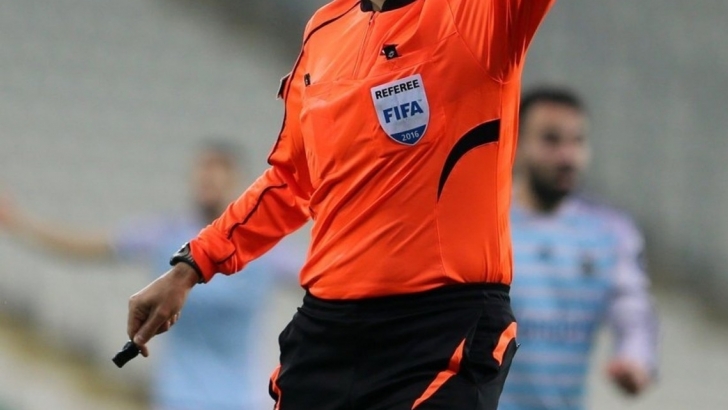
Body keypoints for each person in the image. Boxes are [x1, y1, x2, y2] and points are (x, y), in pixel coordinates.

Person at [125, 1, 556, 409]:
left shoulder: (476, 16)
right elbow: (293, 180)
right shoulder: (325, 30)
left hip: (441, 329)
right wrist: (191, 265)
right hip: (327, 333)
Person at [0, 140, 303, 410]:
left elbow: (315, 279)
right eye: (204, 168)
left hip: (241, 399)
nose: (209, 177)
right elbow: (85, 246)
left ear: (238, 182)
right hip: (178, 397)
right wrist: (18, 222)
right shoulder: (165, 235)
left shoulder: (264, 247)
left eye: (219, 169)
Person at [499, 87, 659, 410]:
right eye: (551, 140)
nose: (567, 156)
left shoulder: (610, 233)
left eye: (577, 141)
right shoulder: (487, 225)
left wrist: (635, 358)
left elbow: (634, 312)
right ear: (515, 141)